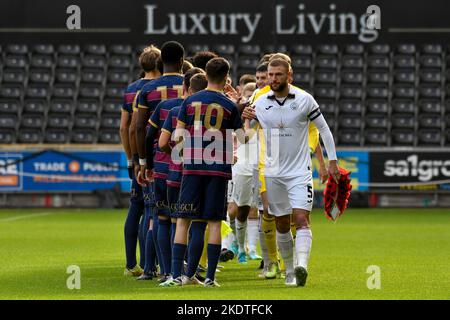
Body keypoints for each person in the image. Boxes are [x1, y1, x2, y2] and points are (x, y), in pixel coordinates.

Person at [242, 58, 340, 286]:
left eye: (278, 74)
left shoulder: (305, 99)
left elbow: (324, 129)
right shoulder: (260, 102)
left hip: (299, 172)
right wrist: (246, 122)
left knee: (301, 218)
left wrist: (331, 160)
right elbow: (247, 138)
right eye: (271, 74)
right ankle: (288, 272)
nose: (273, 79)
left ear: (289, 75)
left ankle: (301, 266)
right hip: (273, 172)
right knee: (282, 224)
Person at [161, 57, 243, 287]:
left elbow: (176, 138)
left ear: (205, 75)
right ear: (227, 78)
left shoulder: (190, 102)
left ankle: (177, 276)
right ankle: (209, 278)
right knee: (214, 223)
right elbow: (244, 139)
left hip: (192, 168)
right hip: (218, 171)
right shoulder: (229, 106)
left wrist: (185, 153)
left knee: (183, 221)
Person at [135, 41, 185, 281]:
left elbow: (138, 127)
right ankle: (183, 268)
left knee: (155, 215)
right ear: (183, 60)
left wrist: (141, 162)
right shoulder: (191, 87)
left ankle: (152, 268)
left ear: (160, 61)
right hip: (188, 159)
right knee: (184, 216)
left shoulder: (147, 90)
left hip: (159, 159)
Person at [120, 45, 161, 277]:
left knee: (136, 207)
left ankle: (130, 264)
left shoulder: (131, 90)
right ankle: (151, 265)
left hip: (137, 158)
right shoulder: (167, 86)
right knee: (155, 211)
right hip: (160, 156)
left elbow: (124, 127)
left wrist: (131, 159)